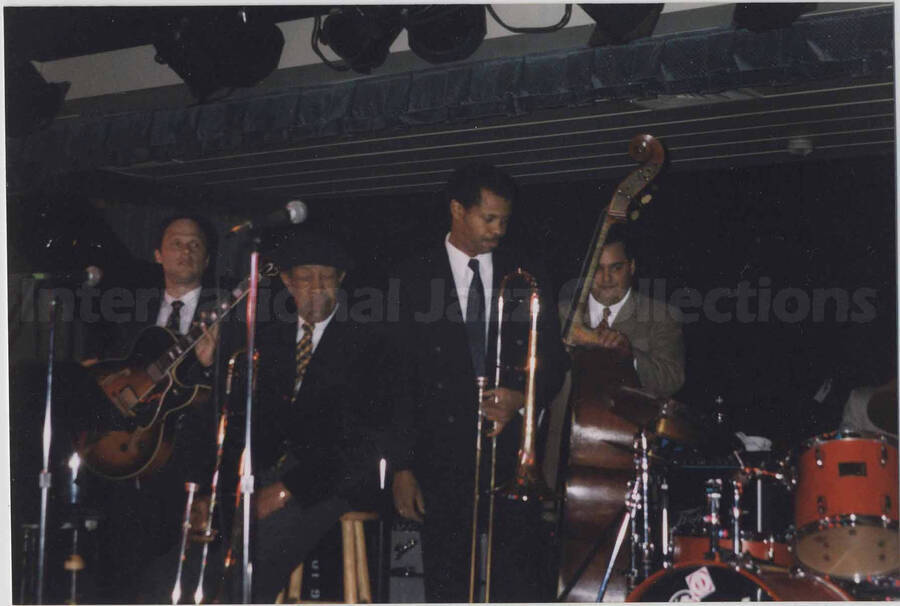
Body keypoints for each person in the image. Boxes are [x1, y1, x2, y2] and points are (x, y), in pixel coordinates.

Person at [390, 162, 567, 602]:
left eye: (504, 220)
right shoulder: (411, 277)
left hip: (508, 453)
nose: (498, 230)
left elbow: (554, 360)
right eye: (488, 218)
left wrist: (519, 398)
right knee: (447, 579)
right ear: (456, 210)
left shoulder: (528, 273)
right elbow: (395, 378)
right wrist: (402, 466)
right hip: (439, 455)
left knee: (517, 578)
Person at [222, 230, 386, 602]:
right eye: (306, 277)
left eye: (327, 277)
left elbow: (358, 441)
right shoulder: (267, 339)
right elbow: (244, 420)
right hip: (265, 472)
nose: (316, 287)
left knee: (253, 563)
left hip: (326, 480)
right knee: (197, 549)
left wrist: (283, 490)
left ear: (341, 281)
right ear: (287, 282)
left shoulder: (368, 341)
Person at [79, 215, 221, 603]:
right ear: (158, 254)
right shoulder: (127, 313)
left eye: (195, 244)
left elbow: (242, 399)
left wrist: (213, 366)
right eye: (176, 243)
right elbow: (102, 376)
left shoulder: (229, 317)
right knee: (117, 577)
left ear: (207, 259)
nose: (185, 250)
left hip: (189, 470)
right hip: (128, 458)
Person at [566, 222, 685, 398]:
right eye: (598, 268)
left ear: (632, 267)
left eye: (616, 268)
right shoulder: (562, 314)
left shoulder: (662, 316)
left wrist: (630, 356)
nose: (606, 278)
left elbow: (672, 381)